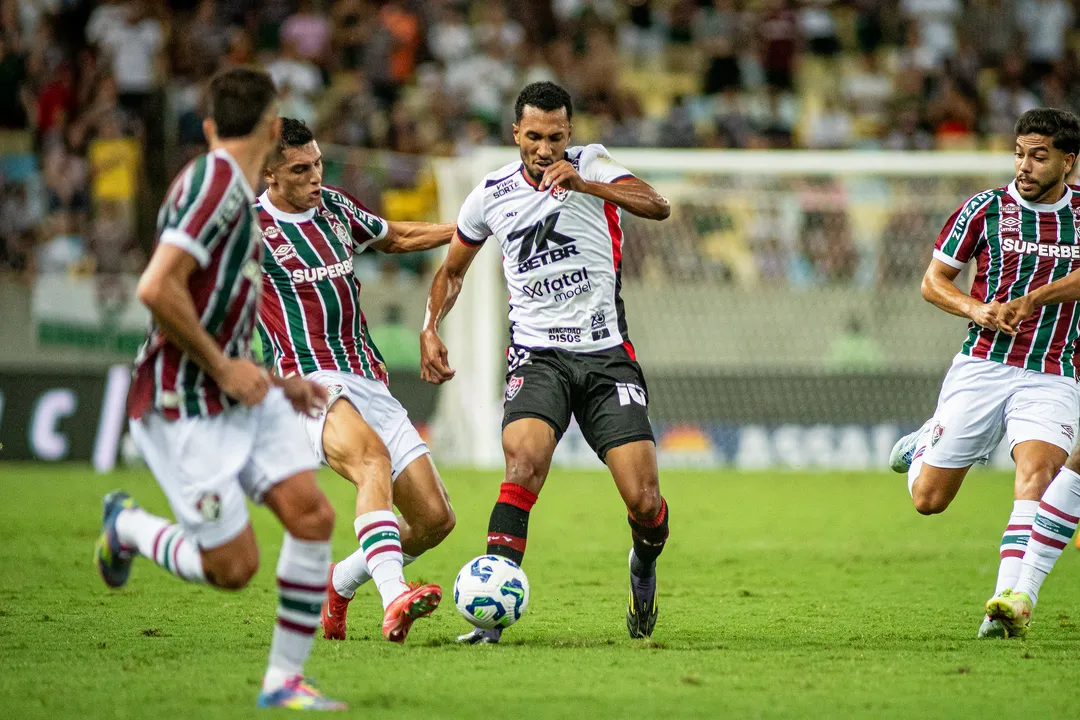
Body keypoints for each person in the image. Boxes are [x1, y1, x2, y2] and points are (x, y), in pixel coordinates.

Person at [94, 68, 346, 711]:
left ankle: (283, 682)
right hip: (185, 402)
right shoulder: (216, 186)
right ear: (272, 127)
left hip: (240, 393)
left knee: (313, 517)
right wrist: (223, 366)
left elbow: (219, 305)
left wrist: (272, 380)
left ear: (210, 126)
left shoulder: (230, 188)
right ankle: (127, 526)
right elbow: (156, 287)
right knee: (233, 570)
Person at [420, 81, 672, 644]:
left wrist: (586, 185)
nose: (544, 148)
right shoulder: (491, 194)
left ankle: (643, 565)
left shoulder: (593, 164)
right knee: (523, 464)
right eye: (533, 136)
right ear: (516, 133)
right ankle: (490, 622)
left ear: (569, 134)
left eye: (555, 137)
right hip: (538, 357)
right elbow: (452, 270)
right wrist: (430, 326)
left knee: (644, 501)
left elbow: (659, 206)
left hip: (606, 357)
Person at [256, 118, 455, 643]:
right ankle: (395, 599)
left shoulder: (335, 209)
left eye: (318, 164)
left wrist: (470, 231)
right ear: (270, 172)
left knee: (434, 520)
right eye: (300, 169)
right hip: (307, 379)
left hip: (366, 375)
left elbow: (396, 236)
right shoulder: (249, 231)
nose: (315, 176)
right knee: (372, 461)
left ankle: (338, 583)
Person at [889, 108, 1080, 638]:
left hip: (1052, 371)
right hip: (982, 365)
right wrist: (976, 309)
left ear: (1067, 161)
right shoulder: (985, 208)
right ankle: (925, 442)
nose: (1024, 166)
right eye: (1019, 154)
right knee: (929, 500)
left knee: (1038, 476)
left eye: (1038, 156)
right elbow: (933, 282)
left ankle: (1006, 603)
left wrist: (1035, 299)